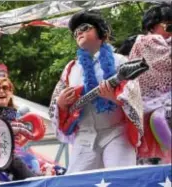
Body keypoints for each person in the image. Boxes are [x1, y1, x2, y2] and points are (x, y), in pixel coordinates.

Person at [48, 11, 144, 173]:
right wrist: (61, 103)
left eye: (85, 28)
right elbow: (56, 103)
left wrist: (114, 98)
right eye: (75, 32)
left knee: (121, 182)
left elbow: (135, 98)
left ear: (102, 33)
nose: (79, 32)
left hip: (116, 132)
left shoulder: (120, 61)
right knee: (74, 186)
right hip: (84, 136)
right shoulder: (70, 69)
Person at [129, 3, 172, 163]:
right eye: (168, 25)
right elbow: (160, 63)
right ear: (153, 26)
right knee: (158, 119)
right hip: (150, 105)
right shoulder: (144, 42)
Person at [0, 77, 36, 180]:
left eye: (5, 88)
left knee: (35, 162)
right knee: (20, 162)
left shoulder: (15, 114)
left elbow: (20, 140)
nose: (1, 91)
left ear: (10, 92)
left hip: (15, 151)